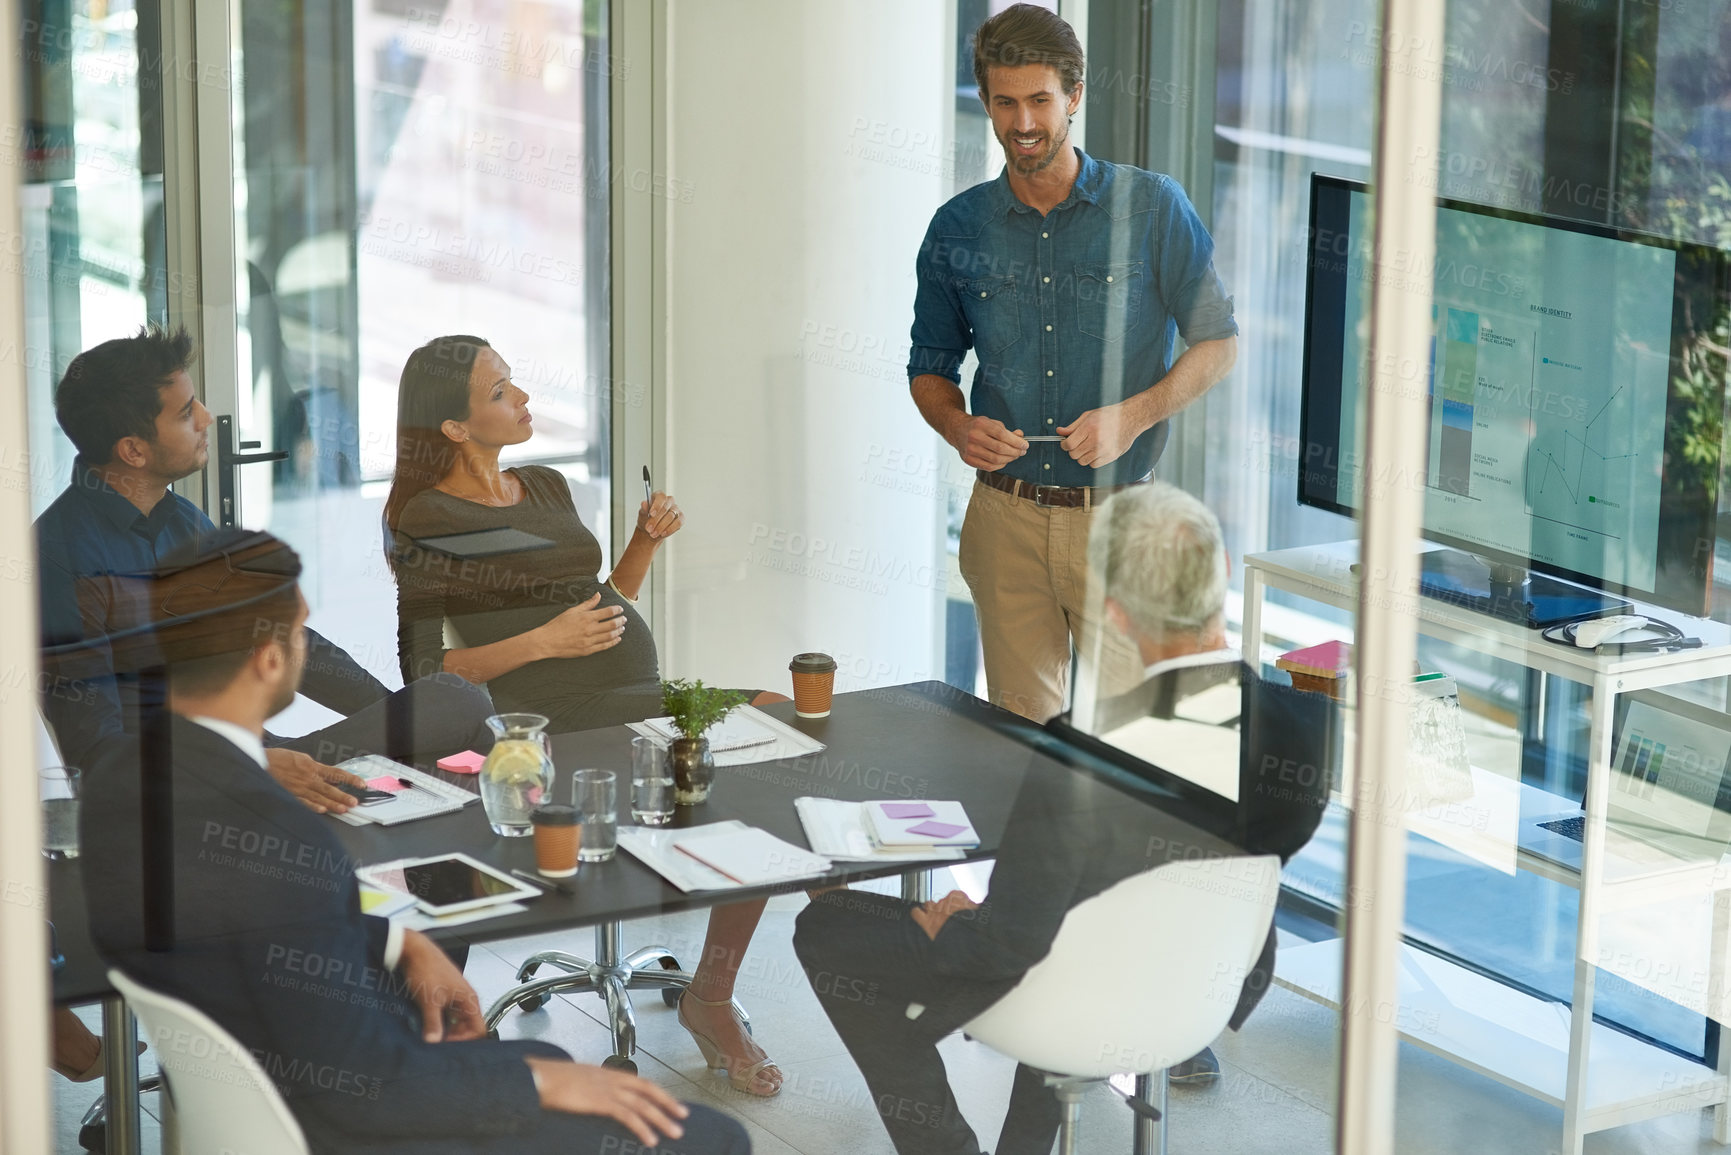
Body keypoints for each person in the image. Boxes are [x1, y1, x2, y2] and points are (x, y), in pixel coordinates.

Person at [80, 529, 750, 1155]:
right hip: (346, 1124)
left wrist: (403, 940)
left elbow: (251, 932)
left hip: (256, 1089)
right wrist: (537, 1087)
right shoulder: (280, 835)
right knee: (709, 1135)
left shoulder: (123, 776)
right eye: (300, 630)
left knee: (541, 1060)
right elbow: (373, 1089)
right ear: (269, 656)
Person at [792, 482, 1334, 1155]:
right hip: (1200, 986)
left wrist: (956, 919)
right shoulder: (1308, 726)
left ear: (1112, 610)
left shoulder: (1081, 745)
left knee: (827, 924)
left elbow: (1006, 946)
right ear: (1222, 572)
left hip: (1068, 988)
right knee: (1078, 925)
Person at [384, 334, 785, 1097]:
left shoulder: (543, 485)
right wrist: (543, 641)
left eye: (514, 383)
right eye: (501, 391)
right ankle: (714, 999)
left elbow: (601, 595)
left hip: (635, 691)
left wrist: (643, 541)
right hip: (555, 718)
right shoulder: (428, 519)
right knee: (757, 729)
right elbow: (424, 671)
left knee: (764, 735)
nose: (524, 399)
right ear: (455, 429)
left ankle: (713, 992)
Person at [907, 4, 1239, 723]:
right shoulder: (956, 229)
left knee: (1140, 742)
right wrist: (957, 427)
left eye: (1038, 100)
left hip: (1121, 522)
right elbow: (928, 367)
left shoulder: (1151, 209)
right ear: (985, 101)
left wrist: (1135, 414)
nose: (1021, 122)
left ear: (1074, 97)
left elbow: (1218, 342)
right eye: (1004, 102)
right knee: (1020, 745)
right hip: (1005, 520)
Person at [36, 325, 496, 815]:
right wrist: (253, 763)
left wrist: (398, 719)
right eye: (187, 412)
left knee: (450, 704)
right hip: (181, 796)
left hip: (259, 753)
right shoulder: (58, 558)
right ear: (133, 450)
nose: (207, 419)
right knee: (457, 709)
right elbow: (97, 754)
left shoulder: (183, 521)